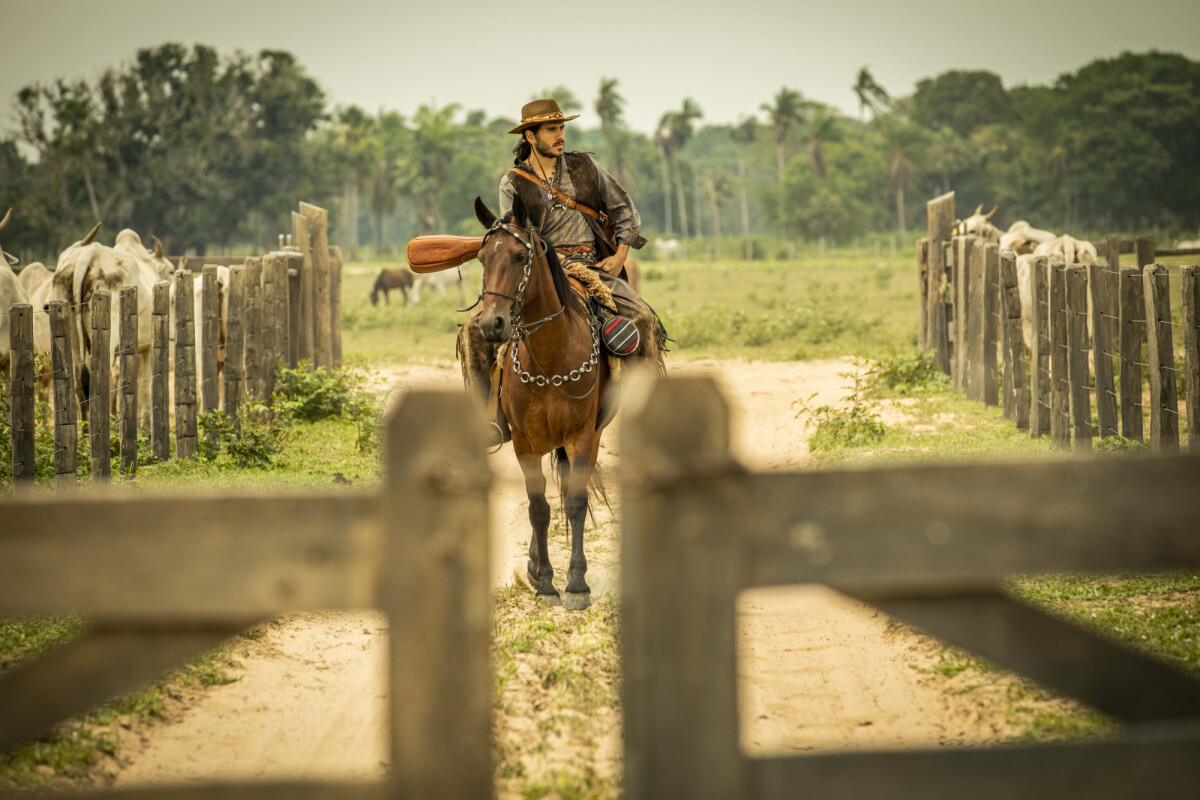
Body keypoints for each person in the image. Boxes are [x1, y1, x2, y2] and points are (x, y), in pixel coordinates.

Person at [458, 98, 665, 445]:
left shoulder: (585, 167)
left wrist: (620, 255)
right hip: (537, 272)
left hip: (593, 269)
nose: (560, 135)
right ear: (531, 135)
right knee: (471, 331)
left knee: (643, 319)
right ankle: (488, 420)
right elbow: (516, 236)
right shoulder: (513, 182)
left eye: (562, 128)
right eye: (552, 129)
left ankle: (653, 418)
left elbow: (624, 209)